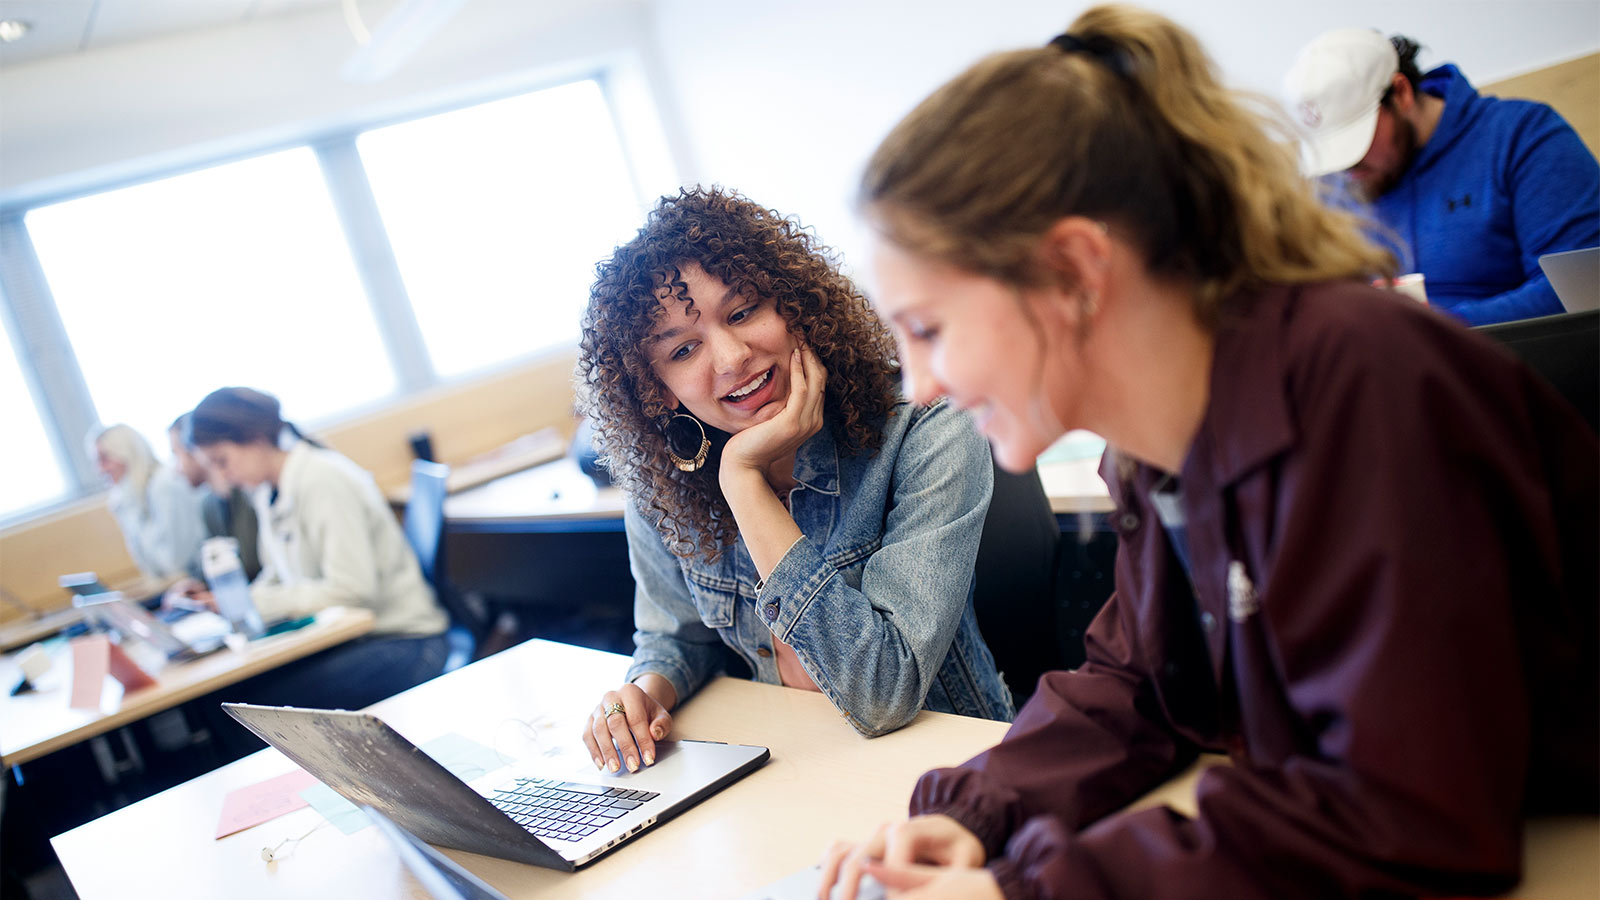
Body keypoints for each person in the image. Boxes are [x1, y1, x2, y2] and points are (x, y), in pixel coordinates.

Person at [819, 6, 1599, 899]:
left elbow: (1402, 817)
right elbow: (1139, 678)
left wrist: (1033, 891)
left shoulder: (1362, 387)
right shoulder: (1160, 448)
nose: (917, 385)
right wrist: (974, 812)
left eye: (927, 329)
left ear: (1075, 271)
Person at [574, 187, 1012, 775]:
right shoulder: (665, 481)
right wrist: (645, 694)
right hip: (790, 764)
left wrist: (745, 479)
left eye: (742, 312)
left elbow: (884, 693)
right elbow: (676, 637)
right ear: (657, 387)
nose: (732, 358)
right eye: (683, 349)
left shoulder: (925, 428)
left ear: (794, 305)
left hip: (949, 769)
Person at [1284, 27, 1600, 325]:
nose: (1346, 168)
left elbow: (1582, 289)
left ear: (1401, 92)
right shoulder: (1327, 184)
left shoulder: (1521, 137)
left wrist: (1434, 333)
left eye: (1356, 142)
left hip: (1509, 366)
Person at [184, 387, 449, 710]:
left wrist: (255, 602)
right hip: (357, 640)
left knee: (256, 704)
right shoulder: (267, 492)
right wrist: (234, 602)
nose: (223, 476)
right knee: (239, 698)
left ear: (255, 439)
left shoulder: (322, 481)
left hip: (406, 641)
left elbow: (351, 591)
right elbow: (277, 576)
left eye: (222, 461)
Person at [87, 423, 207, 580]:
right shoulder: (135, 495)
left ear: (127, 453)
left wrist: (132, 513)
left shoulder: (164, 485)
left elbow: (174, 563)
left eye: (105, 458)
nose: (100, 469)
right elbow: (149, 568)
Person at [168, 413, 261, 581]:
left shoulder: (250, 492)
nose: (176, 470)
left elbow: (253, 565)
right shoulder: (209, 505)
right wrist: (197, 585)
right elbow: (214, 561)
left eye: (177, 454)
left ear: (195, 450)